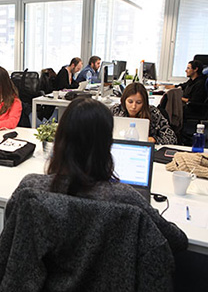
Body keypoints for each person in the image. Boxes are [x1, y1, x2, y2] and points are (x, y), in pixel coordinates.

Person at [20, 97, 187, 251]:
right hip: (110, 283)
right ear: (107, 144)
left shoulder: (30, 187)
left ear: (59, 138)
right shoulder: (126, 197)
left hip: (44, 282)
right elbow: (178, 241)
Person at [111, 83, 177, 145]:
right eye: (130, 102)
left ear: (144, 103)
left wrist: (154, 140)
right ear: (124, 100)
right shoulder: (116, 110)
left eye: (138, 102)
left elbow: (172, 138)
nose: (134, 106)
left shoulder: (153, 112)